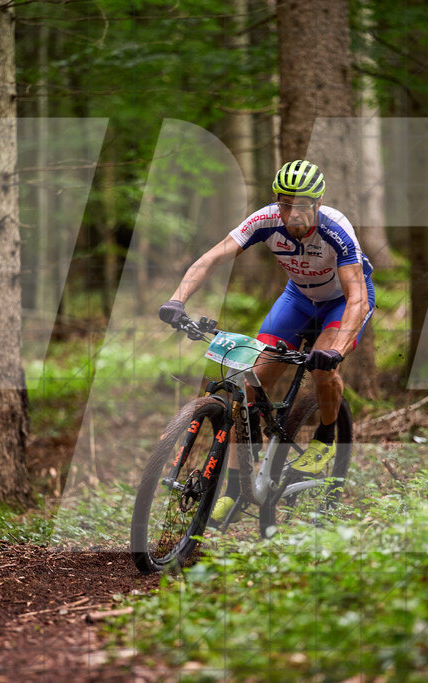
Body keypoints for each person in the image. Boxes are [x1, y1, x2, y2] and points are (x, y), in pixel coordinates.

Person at [158, 159, 375, 522]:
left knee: (322, 367)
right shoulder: (265, 220)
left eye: (302, 204)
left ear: (317, 204)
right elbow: (212, 257)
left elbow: (357, 299)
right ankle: (238, 487)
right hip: (298, 298)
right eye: (285, 203)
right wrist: (177, 298)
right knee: (254, 378)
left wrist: (335, 350)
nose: (292, 212)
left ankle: (324, 437)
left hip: (342, 301)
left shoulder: (336, 230)